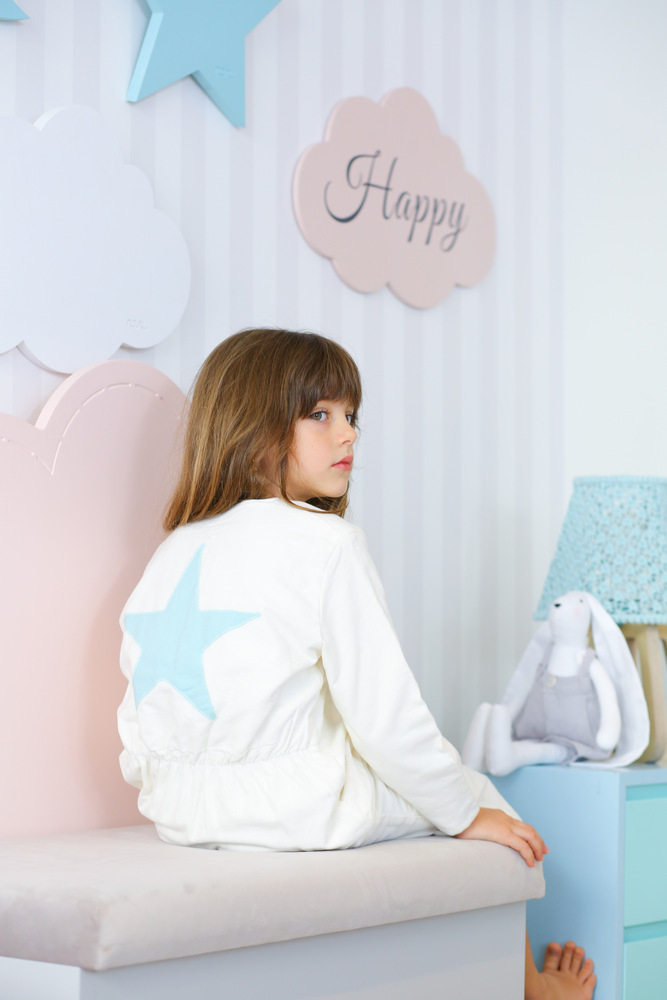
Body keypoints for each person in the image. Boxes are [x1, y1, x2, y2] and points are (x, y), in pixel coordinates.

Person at [117, 328, 596, 1000]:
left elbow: (141, 703)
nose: (347, 435)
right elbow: (386, 719)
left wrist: (168, 783)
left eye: (351, 415)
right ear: (252, 427)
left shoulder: (173, 550)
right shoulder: (327, 544)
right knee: (483, 797)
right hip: (298, 810)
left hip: (180, 808)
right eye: (320, 414)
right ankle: (536, 992)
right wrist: (464, 809)